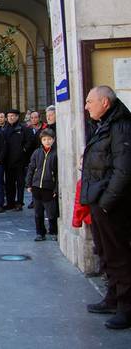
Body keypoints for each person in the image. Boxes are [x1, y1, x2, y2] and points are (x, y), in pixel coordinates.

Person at [80, 86, 131, 329]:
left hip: (110, 204)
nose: (86, 106)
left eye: (90, 101)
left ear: (105, 103)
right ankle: (112, 298)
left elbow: (124, 170)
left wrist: (107, 202)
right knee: (105, 253)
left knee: (119, 255)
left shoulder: (120, 127)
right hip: (98, 201)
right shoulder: (103, 125)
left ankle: (127, 307)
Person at [25, 129, 58, 241]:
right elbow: (31, 168)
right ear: (41, 140)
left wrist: (56, 189)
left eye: (49, 139)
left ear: (53, 140)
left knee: (51, 213)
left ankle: (53, 231)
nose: (47, 141)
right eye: (44, 139)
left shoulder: (56, 154)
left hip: (49, 187)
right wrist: (29, 183)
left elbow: (58, 173)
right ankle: (40, 233)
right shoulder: (37, 152)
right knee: (38, 213)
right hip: (36, 186)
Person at [4, 109, 34, 211]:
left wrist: (23, 150)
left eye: (12, 116)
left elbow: (30, 141)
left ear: (17, 117)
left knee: (20, 184)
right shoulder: (5, 129)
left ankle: (19, 203)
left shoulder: (24, 128)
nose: (10, 118)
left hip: (20, 161)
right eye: (8, 116)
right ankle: (10, 203)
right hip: (8, 161)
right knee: (9, 184)